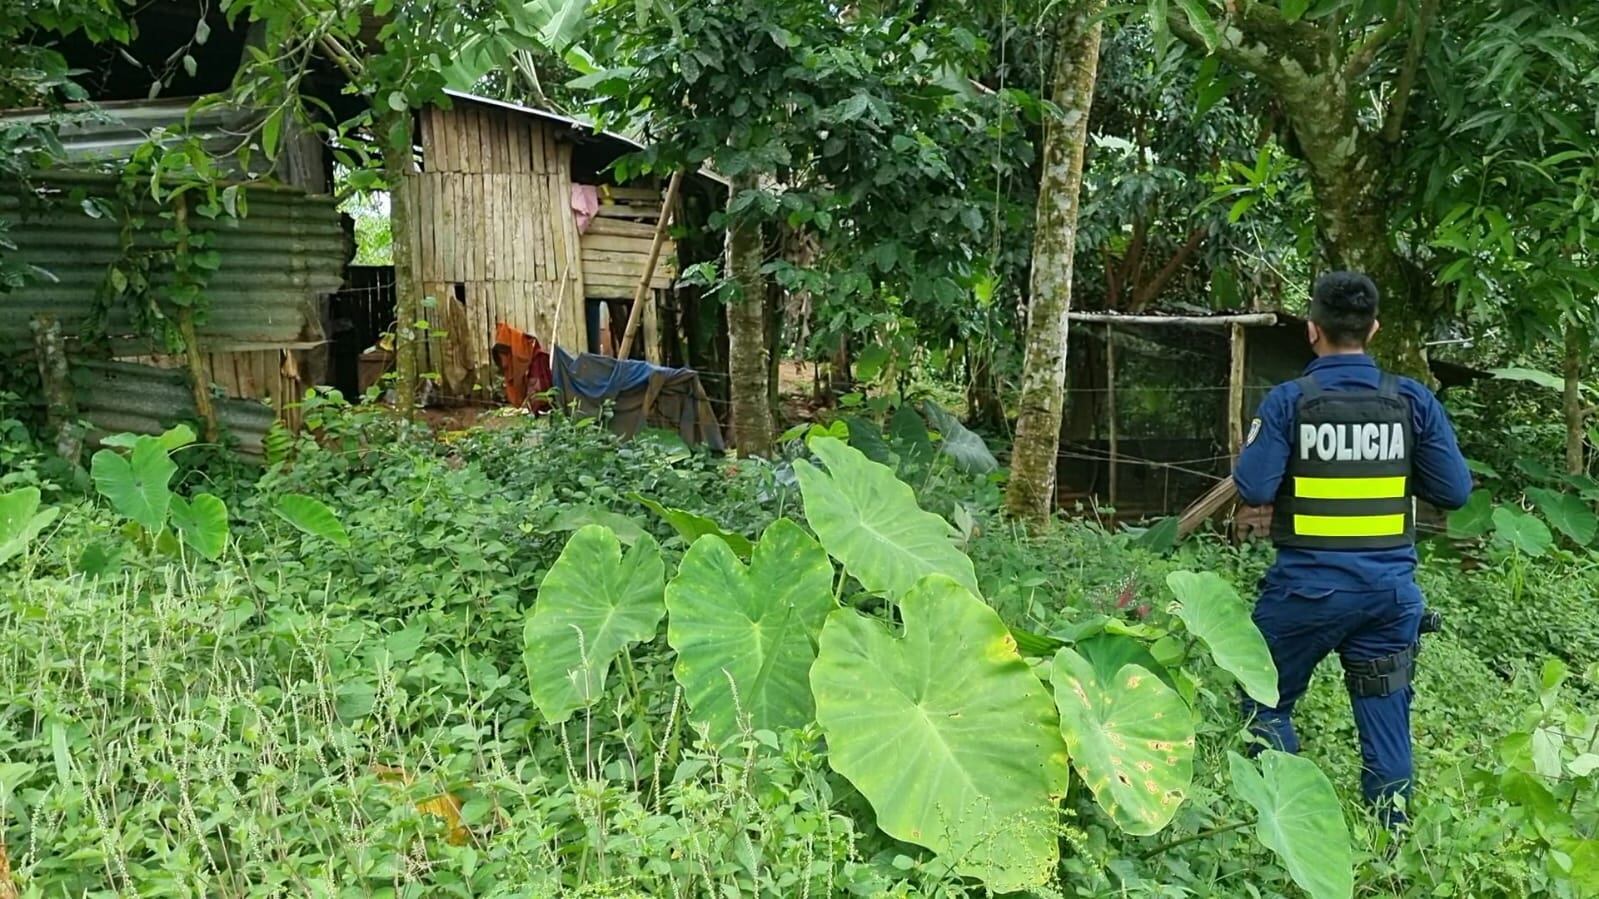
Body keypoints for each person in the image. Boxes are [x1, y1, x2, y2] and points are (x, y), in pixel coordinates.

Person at [1232, 271, 1472, 825]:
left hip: (1305, 596)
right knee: (1385, 720)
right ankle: (1390, 844)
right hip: (1389, 598)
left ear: (1312, 329)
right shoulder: (1411, 400)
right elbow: (1455, 491)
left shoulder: (1290, 402)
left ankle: (1282, 824)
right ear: (1375, 329)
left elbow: (1254, 488)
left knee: (1263, 702)